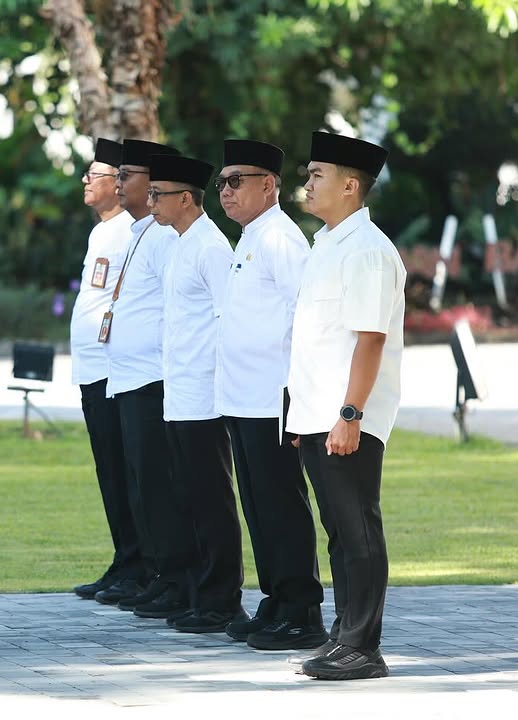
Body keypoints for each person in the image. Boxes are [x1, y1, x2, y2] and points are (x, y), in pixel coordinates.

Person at [287, 131, 405, 680]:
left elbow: (370, 339)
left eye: (317, 175)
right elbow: (316, 337)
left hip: (348, 416)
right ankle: (344, 634)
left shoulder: (369, 250)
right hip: (319, 413)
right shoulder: (326, 242)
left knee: (357, 527)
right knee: (337, 527)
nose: (307, 184)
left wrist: (350, 414)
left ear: (351, 186)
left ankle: (363, 645)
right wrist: (303, 416)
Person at [212, 139, 328, 651]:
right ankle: (277, 599)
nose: (226, 191)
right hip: (242, 397)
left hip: (272, 397)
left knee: (281, 502)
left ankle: (302, 609)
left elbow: (305, 316)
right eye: (221, 183)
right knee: (258, 505)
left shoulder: (280, 237)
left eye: (237, 181)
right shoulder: (251, 236)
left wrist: (297, 390)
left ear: (269, 185)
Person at [94, 138, 195, 622]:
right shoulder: (139, 231)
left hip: (154, 377)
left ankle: (174, 577)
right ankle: (155, 572)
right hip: (128, 377)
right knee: (139, 483)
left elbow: (178, 310)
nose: (119, 181)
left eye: (128, 174)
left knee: (159, 483)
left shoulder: (164, 235)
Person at [147, 152, 248, 634]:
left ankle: (221, 599)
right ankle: (196, 592)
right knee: (186, 496)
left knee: (211, 499)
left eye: (157, 195)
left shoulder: (210, 245)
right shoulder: (178, 243)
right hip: (179, 390)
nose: (151, 203)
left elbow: (229, 318)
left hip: (205, 394)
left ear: (185, 198)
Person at [70, 138, 144, 600]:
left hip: (113, 370)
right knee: (109, 472)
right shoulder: (103, 231)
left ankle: (139, 563)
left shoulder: (129, 231)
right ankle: (124, 558)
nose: (85, 181)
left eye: (94, 175)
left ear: (117, 185)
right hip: (91, 369)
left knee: (125, 470)